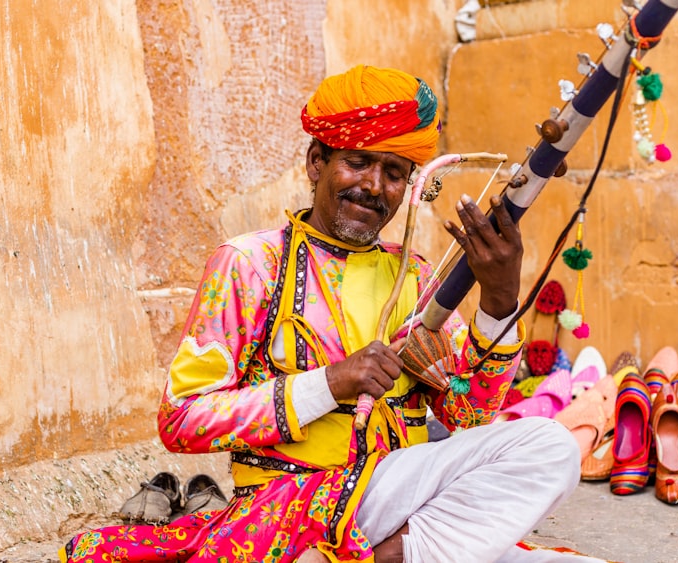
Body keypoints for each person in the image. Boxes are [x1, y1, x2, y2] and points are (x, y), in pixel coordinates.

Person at [62, 65, 580, 562]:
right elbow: (181, 420)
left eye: (394, 172)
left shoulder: (419, 277)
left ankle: (382, 557)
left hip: (395, 498)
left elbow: (468, 414)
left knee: (554, 455)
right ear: (317, 162)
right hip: (286, 514)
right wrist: (329, 383)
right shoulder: (250, 265)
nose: (375, 185)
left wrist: (498, 303)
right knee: (548, 444)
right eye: (358, 162)